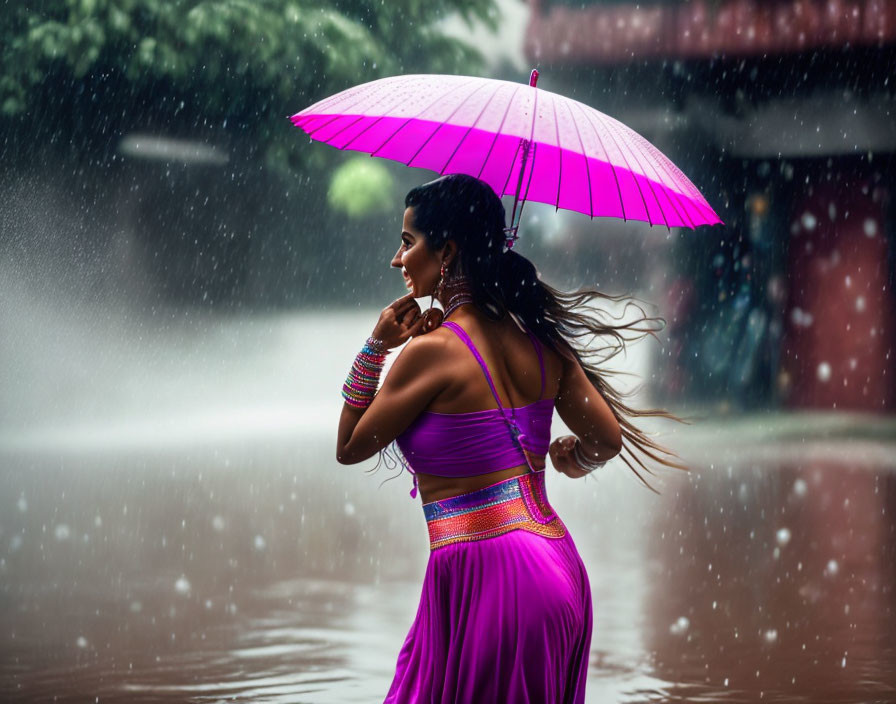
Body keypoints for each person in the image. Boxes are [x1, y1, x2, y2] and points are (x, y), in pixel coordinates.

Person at [336, 174, 687, 703]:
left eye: (408, 242)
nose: (396, 259)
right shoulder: (541, 341)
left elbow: (350, 445)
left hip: (491, 579)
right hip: (555, 570)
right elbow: (607, 441)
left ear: (447, 251)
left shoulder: (430, 352)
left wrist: (377, 345)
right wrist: (576, 457)